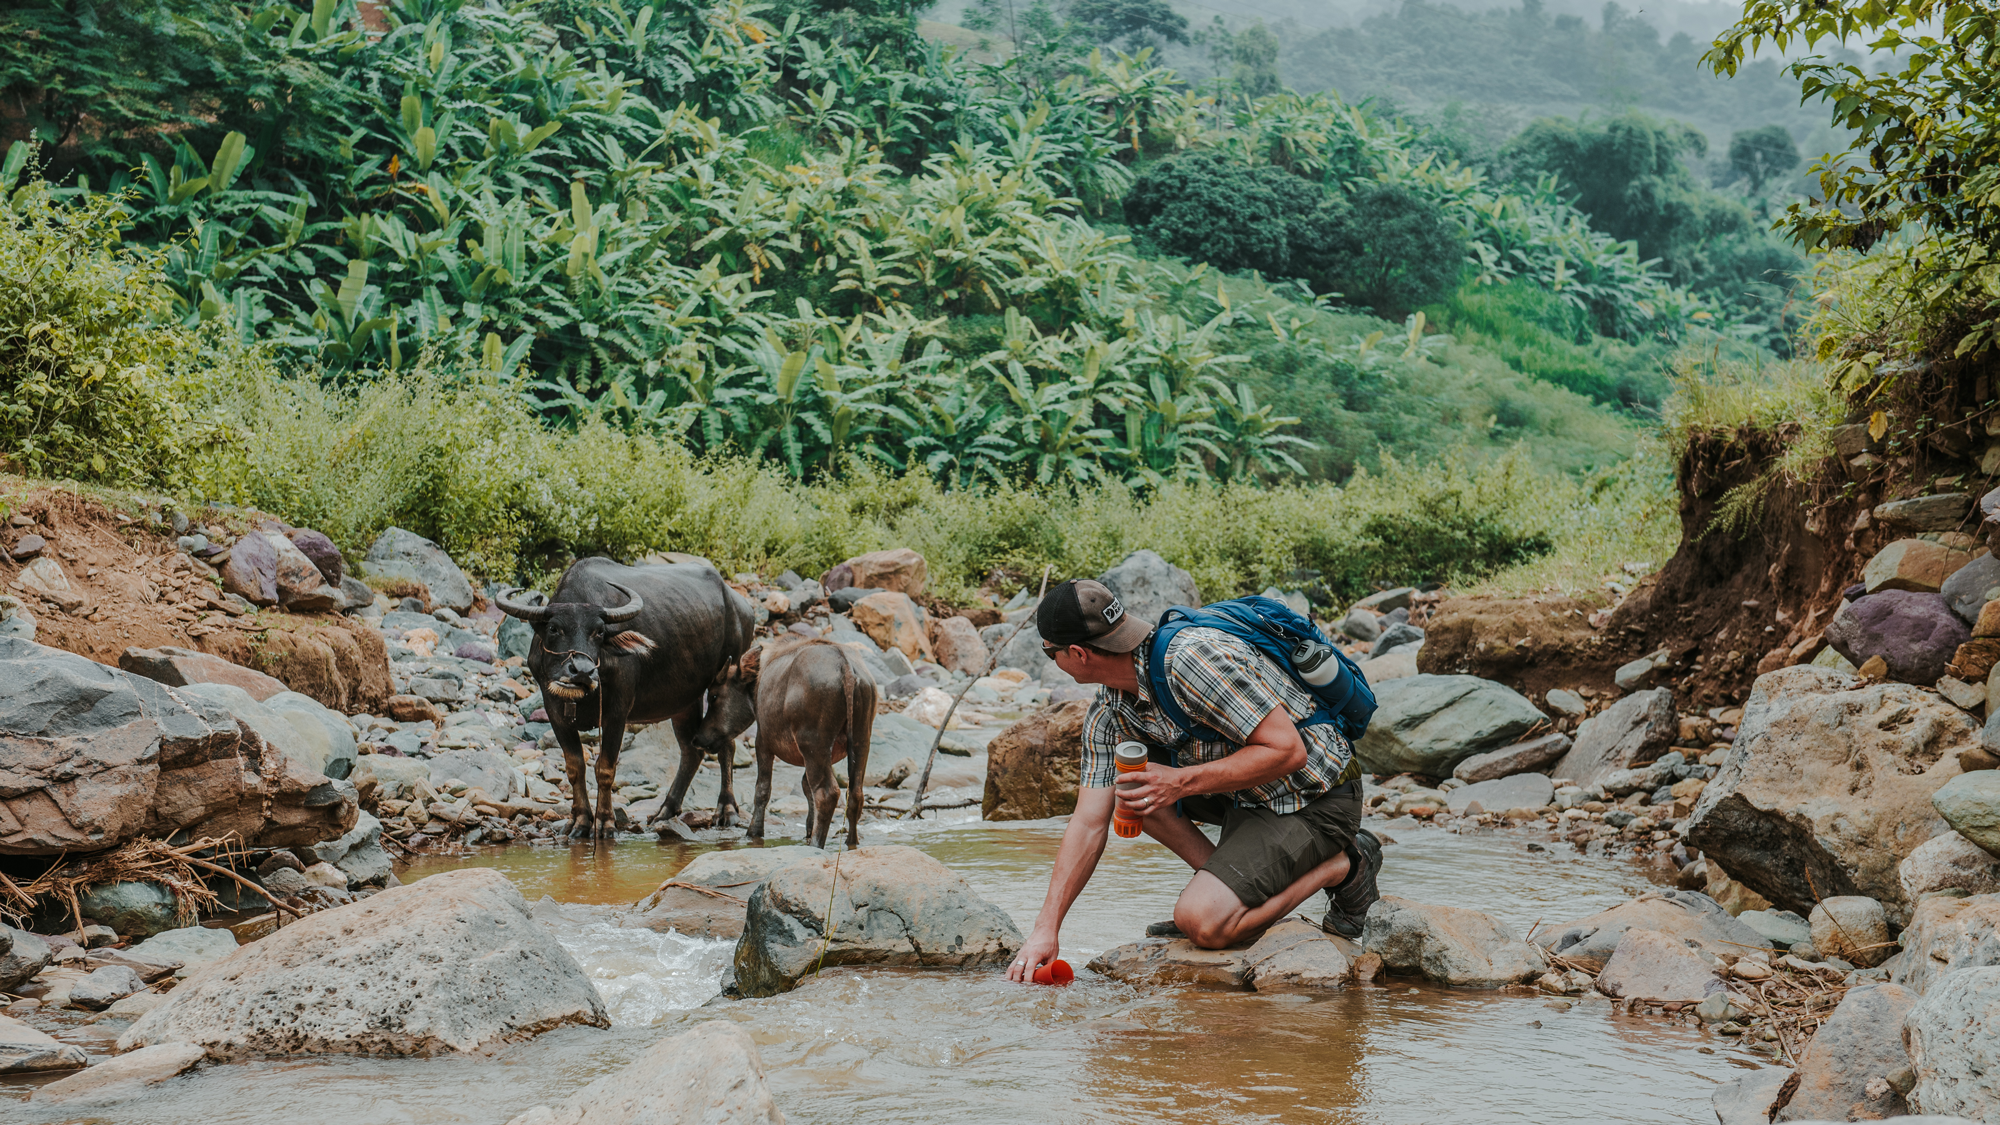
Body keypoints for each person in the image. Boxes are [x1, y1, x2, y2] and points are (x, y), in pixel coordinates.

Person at [1007, 578, 1382, 984]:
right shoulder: (1109, 711)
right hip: (1249, 798)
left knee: (1201, 923)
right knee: (1131, 792)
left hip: (1316, 796)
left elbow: (1288, 751)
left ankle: (1344, 866)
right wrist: (1046, 929)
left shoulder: (1191, 661)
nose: (1052, 659)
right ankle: (1223, 890)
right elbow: (1088, 821)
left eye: (1050, 653)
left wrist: (1180, 783)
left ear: (1077, 653)